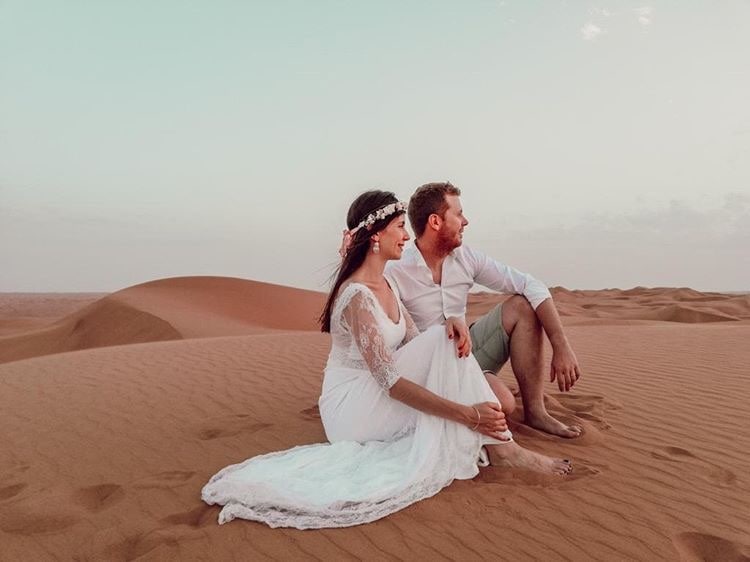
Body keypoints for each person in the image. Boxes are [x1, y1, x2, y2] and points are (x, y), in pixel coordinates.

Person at [202, 190, 571, 530]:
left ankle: (498, 440)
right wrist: (466, 414)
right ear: (376, 235)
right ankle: (504, 448)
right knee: (453, 363)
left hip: (375, 393)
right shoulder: (357, 297)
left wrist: (454, 324)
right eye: (399, 228)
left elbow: (418, 342)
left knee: (444, 337)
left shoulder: (388, 285)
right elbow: (391, 383)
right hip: (351, 410)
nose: (406, 236)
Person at [385, 182, 583, 438]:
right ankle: (478, 392)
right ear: (435, 222)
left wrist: (561, 344)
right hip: (429, 367)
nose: (465, 221)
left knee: (522, 305)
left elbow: (531, 285)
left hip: (466, 348)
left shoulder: (467, 259)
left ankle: (536, 412)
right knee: (504, 403)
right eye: (458, 214)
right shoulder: (396, 271)